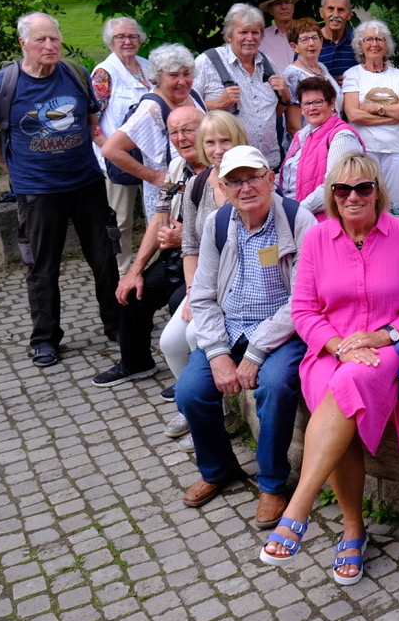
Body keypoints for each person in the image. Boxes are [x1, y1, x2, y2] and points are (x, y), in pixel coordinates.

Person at [262, 154, 399, 582]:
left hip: (386, 350)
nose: (353, 196)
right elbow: (302, 310)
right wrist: (337, 346)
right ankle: (352, 528)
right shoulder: (318, 239)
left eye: (363, 188)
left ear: (378, 191)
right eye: (342, 189)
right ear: (332, 196)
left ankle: (301, 506)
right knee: (340, 391)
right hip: (328, 351)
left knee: (350, 382)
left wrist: (384, 336)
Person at [176, 145, 315, 529]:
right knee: (190, 391)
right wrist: (219, 354)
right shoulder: (218, 224)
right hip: (230, 327)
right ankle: (218, 468)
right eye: (235, 181)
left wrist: (255, 353)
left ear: (271, 179)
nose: (246, 187)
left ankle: (272, 484)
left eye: (253, 177)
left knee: (274, 385)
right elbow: (202, 295)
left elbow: (303, 298)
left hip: (282, 332)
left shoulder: (298, 220)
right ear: (223, 186)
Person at [0, 12, 120, 368]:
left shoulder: (76, 75)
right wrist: (14, 168)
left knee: (104, 259)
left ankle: (117, 324)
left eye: (54, 38)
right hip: (38, 193)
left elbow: (91, 122)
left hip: (86, 183)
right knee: (42, 267)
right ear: (23, 43)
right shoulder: (2, 84)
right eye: (40, 39)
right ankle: (44, 339)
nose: (49, 45)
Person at [92, 106, 205, 387]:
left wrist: (186, 239)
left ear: (206, 129)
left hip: (208, 260)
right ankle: (136, 363)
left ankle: (192, 379)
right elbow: (159, 218)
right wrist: (135, 269)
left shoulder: (221, 169)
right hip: (177, 254)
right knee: (131, 291)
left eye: (188, 130)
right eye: (174, 132)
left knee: (181, 302)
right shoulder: (178, 166)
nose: (181, 138)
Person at [160, 111, 250, 440]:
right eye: (210, 142)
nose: (217, 149)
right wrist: (191, 292)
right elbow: (189, 245)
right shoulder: (197, 185)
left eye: (225, 140)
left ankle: (222, 413)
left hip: (242, 288)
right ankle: (195, 408)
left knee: (194, 336)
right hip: (204, 285)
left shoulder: (250, 178)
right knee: (169, 341)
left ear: (238, 139)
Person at [101, 43, 206, 218]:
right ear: (158, 78)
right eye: (173, 76)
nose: (182, 81)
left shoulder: (193, 94)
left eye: (186, 73)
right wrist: (154, 176)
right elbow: (110, 149)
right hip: (170, 202)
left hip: (198, 192)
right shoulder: (152, 108)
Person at [194, 2, 290, 168]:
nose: (250, 38)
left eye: (255, 32)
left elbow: (272, 112)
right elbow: (186, 109)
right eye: (243, 32)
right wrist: (218, 104)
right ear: (229, 35)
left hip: (268, 162)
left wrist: (285, 97)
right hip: (226, 165)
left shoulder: (268, 64)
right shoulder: (207, 62)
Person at [90, 16, 151, 273]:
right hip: (118, 160)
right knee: (122, 219)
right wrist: (110, 151)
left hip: (151, 156)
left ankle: (156, 270)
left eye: (133, 36)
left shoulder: (149, 67)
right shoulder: (104, 74)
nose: (128, 41)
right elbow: (91, 121)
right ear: (110, 42)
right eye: (121, 37)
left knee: (157, 216)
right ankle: (122, 271)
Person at [342, 19, 399, 208]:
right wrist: (393, 115)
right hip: (366, 150)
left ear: (386, 44)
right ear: (360, 44)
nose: (374, 44)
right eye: (369, 39)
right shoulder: (352, 75)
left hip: (397, 150)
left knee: (395, 204)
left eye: (379, 39)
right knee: (367, 202)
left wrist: (375, 108)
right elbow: (353, 115)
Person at [278, 77, 364, 218]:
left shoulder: (342, 137)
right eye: (306, 104)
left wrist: (297, 212)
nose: (312, 108)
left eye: (318, 102)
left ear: (332, 103)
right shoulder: (302, 136)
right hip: (297, 217)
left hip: (324, 221)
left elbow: (335, 186)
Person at [281, 17, 341, 135]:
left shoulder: (322, 68)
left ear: (321, 41)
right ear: (294, 46)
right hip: (311, 144)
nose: (312, 43)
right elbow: (293, 126)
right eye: (305, 40)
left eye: (315, 38)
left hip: (333, 138)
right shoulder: (292, 75)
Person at [257, 0, 301, 70]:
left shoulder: (307, 33)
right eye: (278, 3)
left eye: (287, 2)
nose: (284, 7)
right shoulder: (261, 38)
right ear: (270, 10)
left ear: (293, 6)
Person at [318, 0, 357, 83]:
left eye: (340, 10)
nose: (335, 15)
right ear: (322, 12)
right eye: (330, 9)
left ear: (349, 15)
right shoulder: (309, 42)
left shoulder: (359, 42)